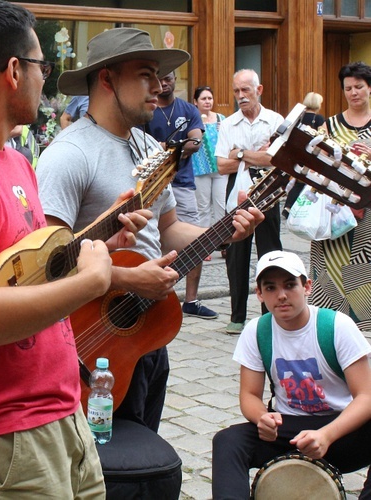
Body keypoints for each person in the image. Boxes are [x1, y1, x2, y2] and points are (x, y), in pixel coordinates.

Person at [0, 1, 152, 496]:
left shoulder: (13, 161)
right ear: (14, 71)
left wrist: (96, 240)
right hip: (5, 437)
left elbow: (27, 270)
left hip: (61, 416)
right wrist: (90, 283)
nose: (46, 78)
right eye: (43, 66)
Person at [36, 27, 264, 432]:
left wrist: (227, 232)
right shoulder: (68, 155)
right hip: (91, 342)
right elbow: (47, 266)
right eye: (145, 74)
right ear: (106, 79)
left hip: (146, 332)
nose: (159, 86)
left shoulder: (149, 148)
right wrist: (128, 278)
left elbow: (168, 230)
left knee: (143, 457)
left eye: (158, 75)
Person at [211, 250, 371, 499]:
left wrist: (327, 434)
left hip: (340, 429)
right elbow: (250, 395)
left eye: (289, 285)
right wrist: (263, 418)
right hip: (288, 429)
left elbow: (365, 397)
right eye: (271, 288)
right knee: (228, 441)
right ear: (260, 294)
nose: (282, 295)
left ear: (307, 286)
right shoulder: (256, 331)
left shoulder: (337, 326)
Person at [143, 72, 217, 319]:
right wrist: (177, 147)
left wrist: (170, 148)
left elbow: (196, 141)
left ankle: (192, 300)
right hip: (152, 184)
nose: (164, 83)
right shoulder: (148, 108)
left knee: (194, 242)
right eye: (159, 78)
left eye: (168, 78)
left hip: (183, 183)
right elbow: (143, 148)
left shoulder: (187, 109)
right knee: (153, 240)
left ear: (176, 79)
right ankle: (159, 298)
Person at [215, 69, 283, 335]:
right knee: (236, 252)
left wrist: (241, 153)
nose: (240, 96)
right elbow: (222, 166)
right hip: (237, 190)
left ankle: (270, 314)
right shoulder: (228, 123)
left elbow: (276, 160)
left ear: (259, 89)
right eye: (236, 91)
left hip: (269, 188)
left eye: (245, 90)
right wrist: (257, 155)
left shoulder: (275, 120)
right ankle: (237, 316)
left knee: (270, 251)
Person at [310, 62, 371, 331]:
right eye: (348, 88)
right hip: (333, 212)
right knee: (329, 273)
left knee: (364, 269)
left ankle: (363, 325)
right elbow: (315, 162)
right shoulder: (330, 124)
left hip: (367, 215)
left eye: (359, 87)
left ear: (369, 88)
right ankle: (329, 329)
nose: (353, 92)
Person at [191, 85, 228, 259]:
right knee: (203, 208)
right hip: (200, 169)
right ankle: (204, 246)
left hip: (220, 168)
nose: (207, 102)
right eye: (203, 99)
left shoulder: (222, 119)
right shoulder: (193, 119)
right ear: (195, 102)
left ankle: (224, 243)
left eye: (209, 98)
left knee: (221, 205)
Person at [282, 91, 326, 218]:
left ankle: (288, 206)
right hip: (311, 154)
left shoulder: (298, 117)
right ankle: (301, 209)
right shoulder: (319, 119)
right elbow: (324, 138)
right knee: (306, 182)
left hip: (297, 152)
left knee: (297, 180)